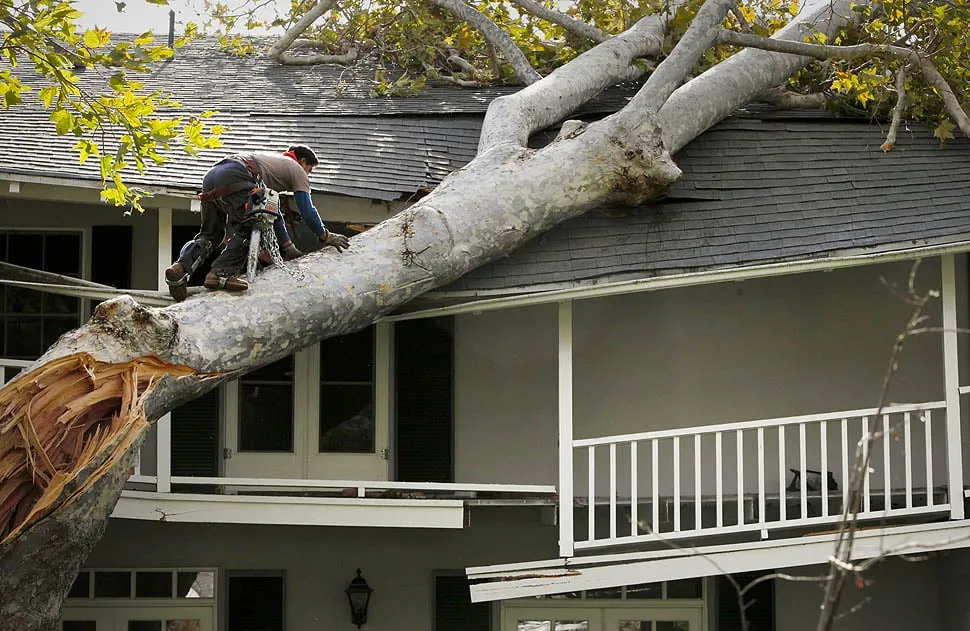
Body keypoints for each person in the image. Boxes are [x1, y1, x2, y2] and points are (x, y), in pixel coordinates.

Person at [164, 145, 350, 301]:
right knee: (251, 226)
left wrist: (288, 247)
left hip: (213, 174)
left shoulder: (272, 163)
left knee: (211, 234)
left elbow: (271, 212)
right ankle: (220, 274)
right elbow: (307, 210)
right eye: (309, 170)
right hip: (236, 174)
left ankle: (179, 268)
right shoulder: (296, 169)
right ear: (302, 162)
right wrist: (325, 235)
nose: (307, 175)